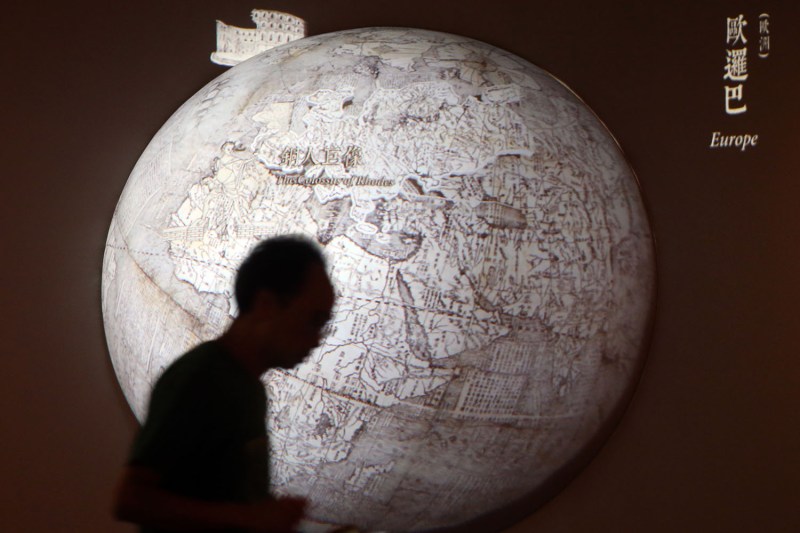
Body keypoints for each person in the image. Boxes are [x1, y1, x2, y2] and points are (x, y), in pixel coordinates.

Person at [114, 235, 336, 533]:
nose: (318, 338)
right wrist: (253, 518)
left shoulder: (250, 390)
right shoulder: (199, 378)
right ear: (266, 305)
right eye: (314, 320)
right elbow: (132, 500)